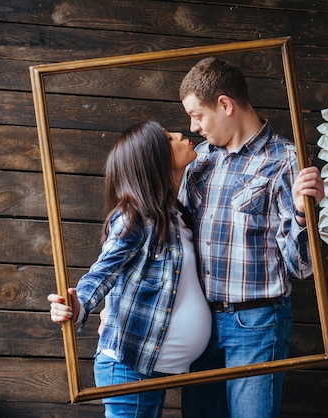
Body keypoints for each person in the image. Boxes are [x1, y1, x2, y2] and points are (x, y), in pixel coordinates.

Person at [178, 57, 325, 418]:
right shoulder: (199, 164)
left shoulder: (287, 161)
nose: (193, 128)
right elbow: (173, 240)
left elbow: (302, 268)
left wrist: (306, 214)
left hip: (256, 324)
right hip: (197, 324)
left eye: (198, 115)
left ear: (225, 105)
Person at [47, 120, 211, 418]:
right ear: (154, 159)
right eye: (167, 138)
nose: (179, 134)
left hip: (156, 369)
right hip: (129, 367)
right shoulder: (134, 218)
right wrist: (76, 305)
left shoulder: (177, 215)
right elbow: (102, 272)